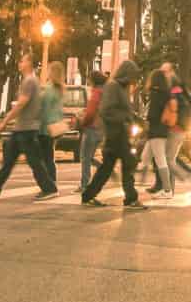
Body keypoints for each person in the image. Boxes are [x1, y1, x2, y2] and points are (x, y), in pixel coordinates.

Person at [80, 60, 145, 208]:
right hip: (115, 133)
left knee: (107, 168)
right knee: (127, 164)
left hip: (119, 132)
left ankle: (88, 195)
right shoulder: (113, 86)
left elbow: (124, 110)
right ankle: (130, 198)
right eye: (132, 76)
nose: (134, 80)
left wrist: (136, 119)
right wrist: (125, 119)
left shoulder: (121, 88)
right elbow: (105, 111)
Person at [0, 55, 52, 198]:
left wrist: (5, 121)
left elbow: (22, 103)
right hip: (22, 128)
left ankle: (49, 188)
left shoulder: (29, 81)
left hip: (26, 129)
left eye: (22, 61)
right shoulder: (31, 81)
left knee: (34, 161)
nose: (19, 63)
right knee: (10, 160)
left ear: (29, 63)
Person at [160, 62, 191, 193]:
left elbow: (176, 106)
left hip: (176, 127)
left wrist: (178, 121)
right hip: (178, 127)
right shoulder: (178, 86)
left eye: (165, 71)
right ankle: (174, 187)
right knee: (171, 158)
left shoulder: (174, 87)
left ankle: (188, 178)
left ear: (171, 72)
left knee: (168, 159)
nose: (163, 74)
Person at [142, 67, 180, 197]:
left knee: (160, 160)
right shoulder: (167, 93)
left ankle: (167, 190)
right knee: (145, 157)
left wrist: (146, 121)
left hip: (156, 130)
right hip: (163, 129)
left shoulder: (155, 93)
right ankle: (138, 182)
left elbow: (153, 114)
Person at [31, 62, 64, 195]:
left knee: (42, 158)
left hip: (44, 128)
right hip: (53, 127)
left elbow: (43, 108)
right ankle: (52, 182)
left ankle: (48, 185)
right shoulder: (59, 88)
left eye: (49, 70)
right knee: (48, 157)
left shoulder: (49, 89)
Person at [77, 70, 107, 189]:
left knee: (84, 158)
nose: (88, 81)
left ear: (93, 80)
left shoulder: (96, 92)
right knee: (88, 157)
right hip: (100, 129)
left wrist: (83, 122)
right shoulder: (105, 92)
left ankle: (85, 185)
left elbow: (91, 112)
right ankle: (104, 168)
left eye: (89, 79)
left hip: (91, 128)